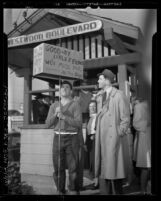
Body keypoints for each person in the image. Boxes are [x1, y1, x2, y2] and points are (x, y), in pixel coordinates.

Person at [95, 69, 130, 195]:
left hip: (114, 138)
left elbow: (125, 118)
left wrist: (118, 132)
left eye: (100, 79)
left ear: (107, 80)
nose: (98, 81)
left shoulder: (119, 95)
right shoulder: (99, 96)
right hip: (102, 138)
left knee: (115, 172)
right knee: (105, 172)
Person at [45, 81, 82, 195]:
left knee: (73, 167)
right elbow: (47, 124)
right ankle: (60, 190)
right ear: (59, 91)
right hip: (58, 137)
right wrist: (55, 115)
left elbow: (78, 123)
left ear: (71, 91)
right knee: (58, 167)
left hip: (72, 138)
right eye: (62, 87)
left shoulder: (75, 104)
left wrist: (64, 117)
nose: (64, 89)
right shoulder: (54, 106)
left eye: (67, 87)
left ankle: (72, 189)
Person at [132, 98, 151, 194]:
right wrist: (147, 123)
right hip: (145, 137)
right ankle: (143, 190)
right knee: (146, 166)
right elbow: (136, 124)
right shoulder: (139, 106)